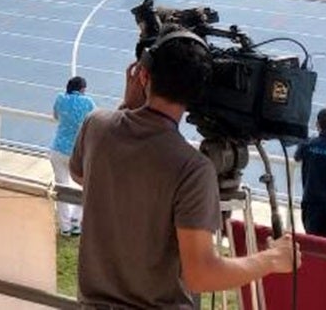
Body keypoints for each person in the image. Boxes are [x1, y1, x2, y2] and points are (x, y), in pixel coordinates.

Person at [69, 31, 300, 307]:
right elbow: (200, 275)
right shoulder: (192, 169)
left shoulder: (96, 125)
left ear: (143, 76)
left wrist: (128, 108)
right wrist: (271, 259)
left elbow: (82, 174)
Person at [50, 76, 95, 236]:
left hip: (58, 150)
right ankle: (76, 221)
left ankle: (65, 226)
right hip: (79, 153)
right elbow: (94, 122)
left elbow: (56, 116)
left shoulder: (60, 99)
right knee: (83, 186)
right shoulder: (88, 103)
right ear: (83, 89)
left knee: (61, 188)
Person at [295, 107, 326, 240]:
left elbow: (297, 157)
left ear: (317, 124)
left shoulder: (308, 145)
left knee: (313, 242)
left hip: (312, 204)